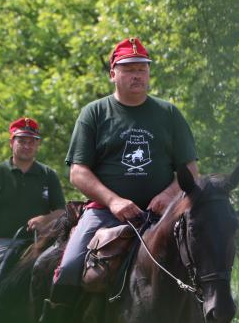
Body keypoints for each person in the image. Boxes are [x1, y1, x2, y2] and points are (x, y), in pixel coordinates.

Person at [45, 37, 198, 319]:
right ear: (113, 74)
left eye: (142, 68)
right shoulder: (94, 113)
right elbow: (78, 172)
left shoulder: (169, 114)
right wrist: (114, 201)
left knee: (204, 263)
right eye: (128, 69)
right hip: (105, 213)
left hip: (161, 216)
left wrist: (168, 195)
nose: (137, 74)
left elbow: (190, 170)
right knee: (68, 269)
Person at [0, 117, 66, 322]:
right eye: (22, 140)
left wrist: (45, 218)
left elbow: (61, 210)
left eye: (32, 141)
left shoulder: (48, 174)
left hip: (42, 243)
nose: (27, 145)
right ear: (11, 142)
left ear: (38, 145)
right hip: (4, 242)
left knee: (62, 278)